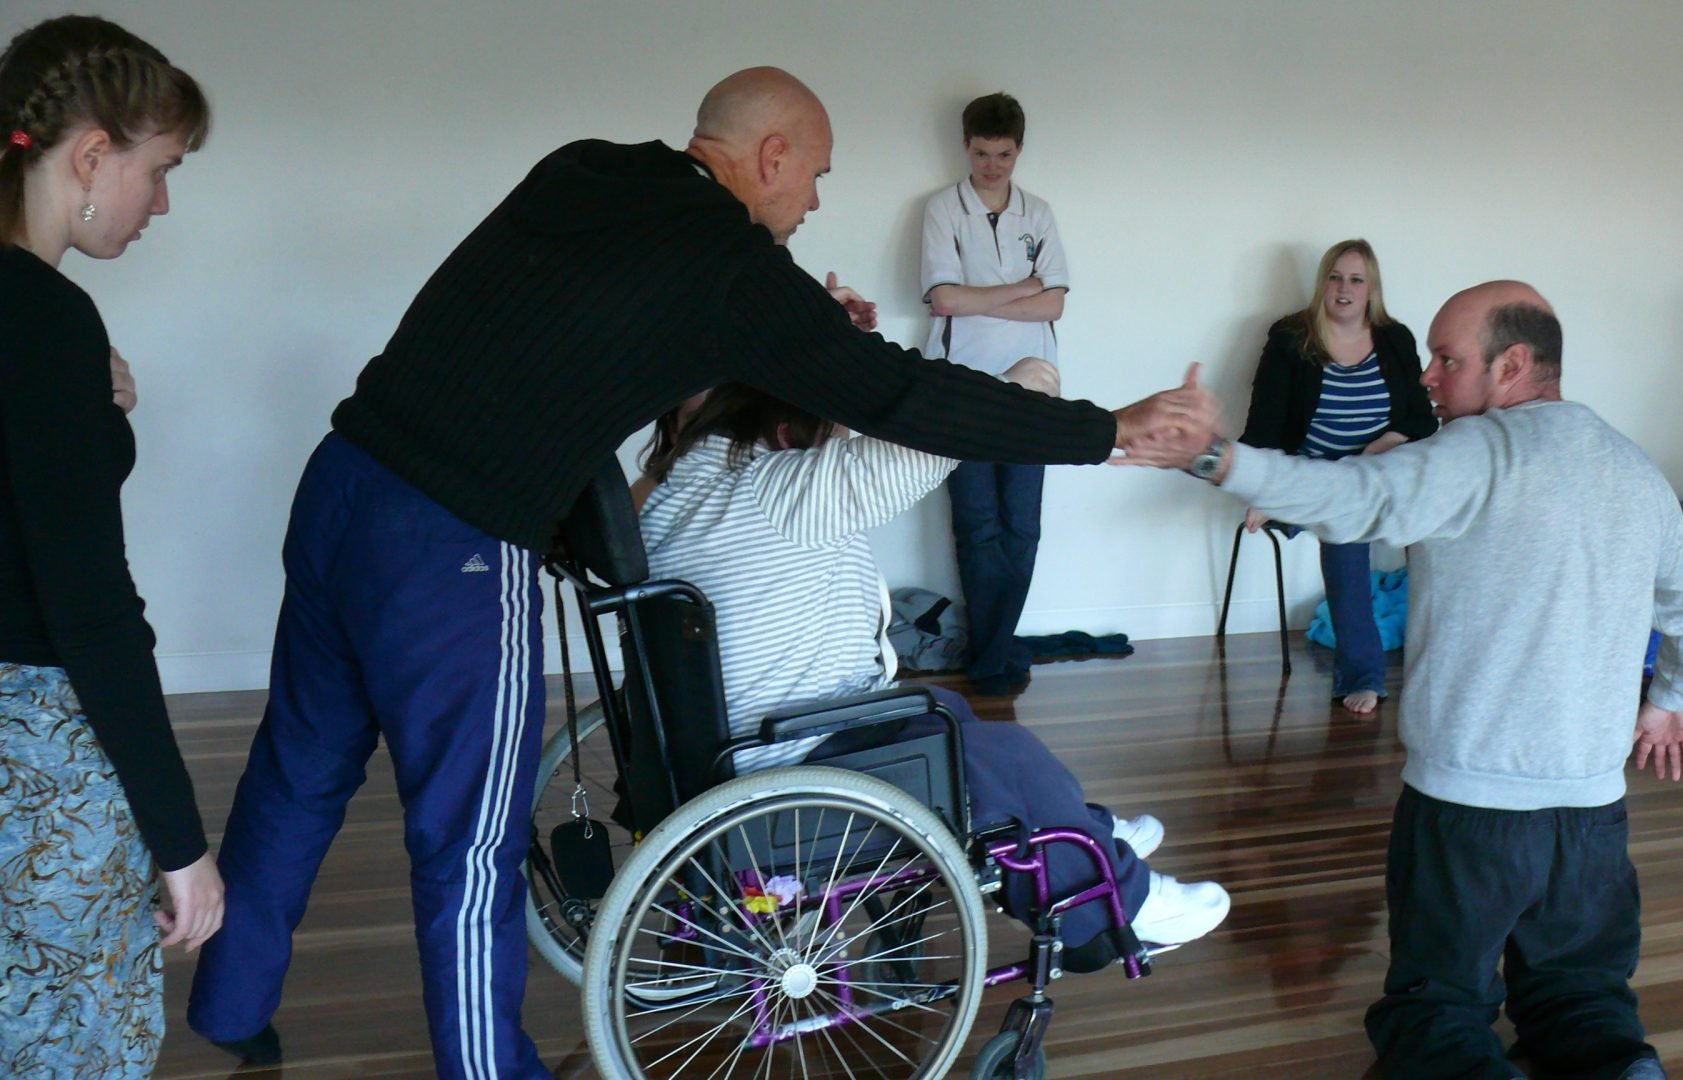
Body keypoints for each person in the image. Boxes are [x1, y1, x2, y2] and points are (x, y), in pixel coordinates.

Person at [186, 67, 1212, 1077]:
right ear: (769, 156)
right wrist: (1103, 429)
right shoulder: (728, 263)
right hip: (450, 540)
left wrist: (804, 333)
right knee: (468, 845)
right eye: (815, 176)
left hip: (346, 477)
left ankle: (234, 1003)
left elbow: (610, 331)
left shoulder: (584, 171)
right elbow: (900, 397)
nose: (814, 202)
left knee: (297, 766)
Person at [1127, 282, 1683, 1080]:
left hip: (1470, 814)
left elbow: (1351, 501)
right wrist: (1672, 700)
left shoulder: (1478, 453)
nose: (1429, 380)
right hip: (1591, 817)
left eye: (1448, 360)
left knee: (1434, 1007)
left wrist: (1214, 455)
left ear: (1513, 364)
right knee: (1583, 1000)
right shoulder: (1629, 464)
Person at [637, 374, 1232, 953]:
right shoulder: (779, 490)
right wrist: (1021, 385)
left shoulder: (671, 495)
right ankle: (1109, 904)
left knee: (948, 711)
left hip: (733, 749)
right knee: (1004, 753)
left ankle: (1079, 830)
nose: (839, 439)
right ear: (786, 428)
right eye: (831, 425)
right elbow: (946, 434)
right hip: (794, 768)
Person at [0, 15, 222, 1076]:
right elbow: (88, 607)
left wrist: (99, 411)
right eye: (160, 168)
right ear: (91, 155)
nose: (162, 203)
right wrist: (182, 847)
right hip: (34, 754)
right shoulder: (43, 323)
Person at [1240, 239, 1437, 714]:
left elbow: (1422, 418)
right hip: (1313, 477)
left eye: (1355, 280)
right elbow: (1265, 421)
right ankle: (1362, 674)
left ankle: (1441, 656)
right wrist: (1265, 489)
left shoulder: (1395, 339)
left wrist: (1387, 441)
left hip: (1381, 472)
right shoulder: (1292, 338)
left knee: (1439, 528)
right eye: (1335, 277)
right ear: (1322, 283)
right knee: (1346, 529)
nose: (1343, 289)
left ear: (1372, 290)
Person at [920, 92, 1069, 695]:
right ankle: (993, 657)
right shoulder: (940, 210)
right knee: (977, 524)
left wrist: (987, 294)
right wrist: (1022, 287)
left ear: (1019, 151)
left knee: (1022, 527)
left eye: (1004, 154)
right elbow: (944, 300)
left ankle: (994, 651)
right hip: (963, 386)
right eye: (982, 154)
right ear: (966, 147)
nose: (992, 166)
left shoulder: (1039, 213)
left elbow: (1055, 302)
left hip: (1036, 387)